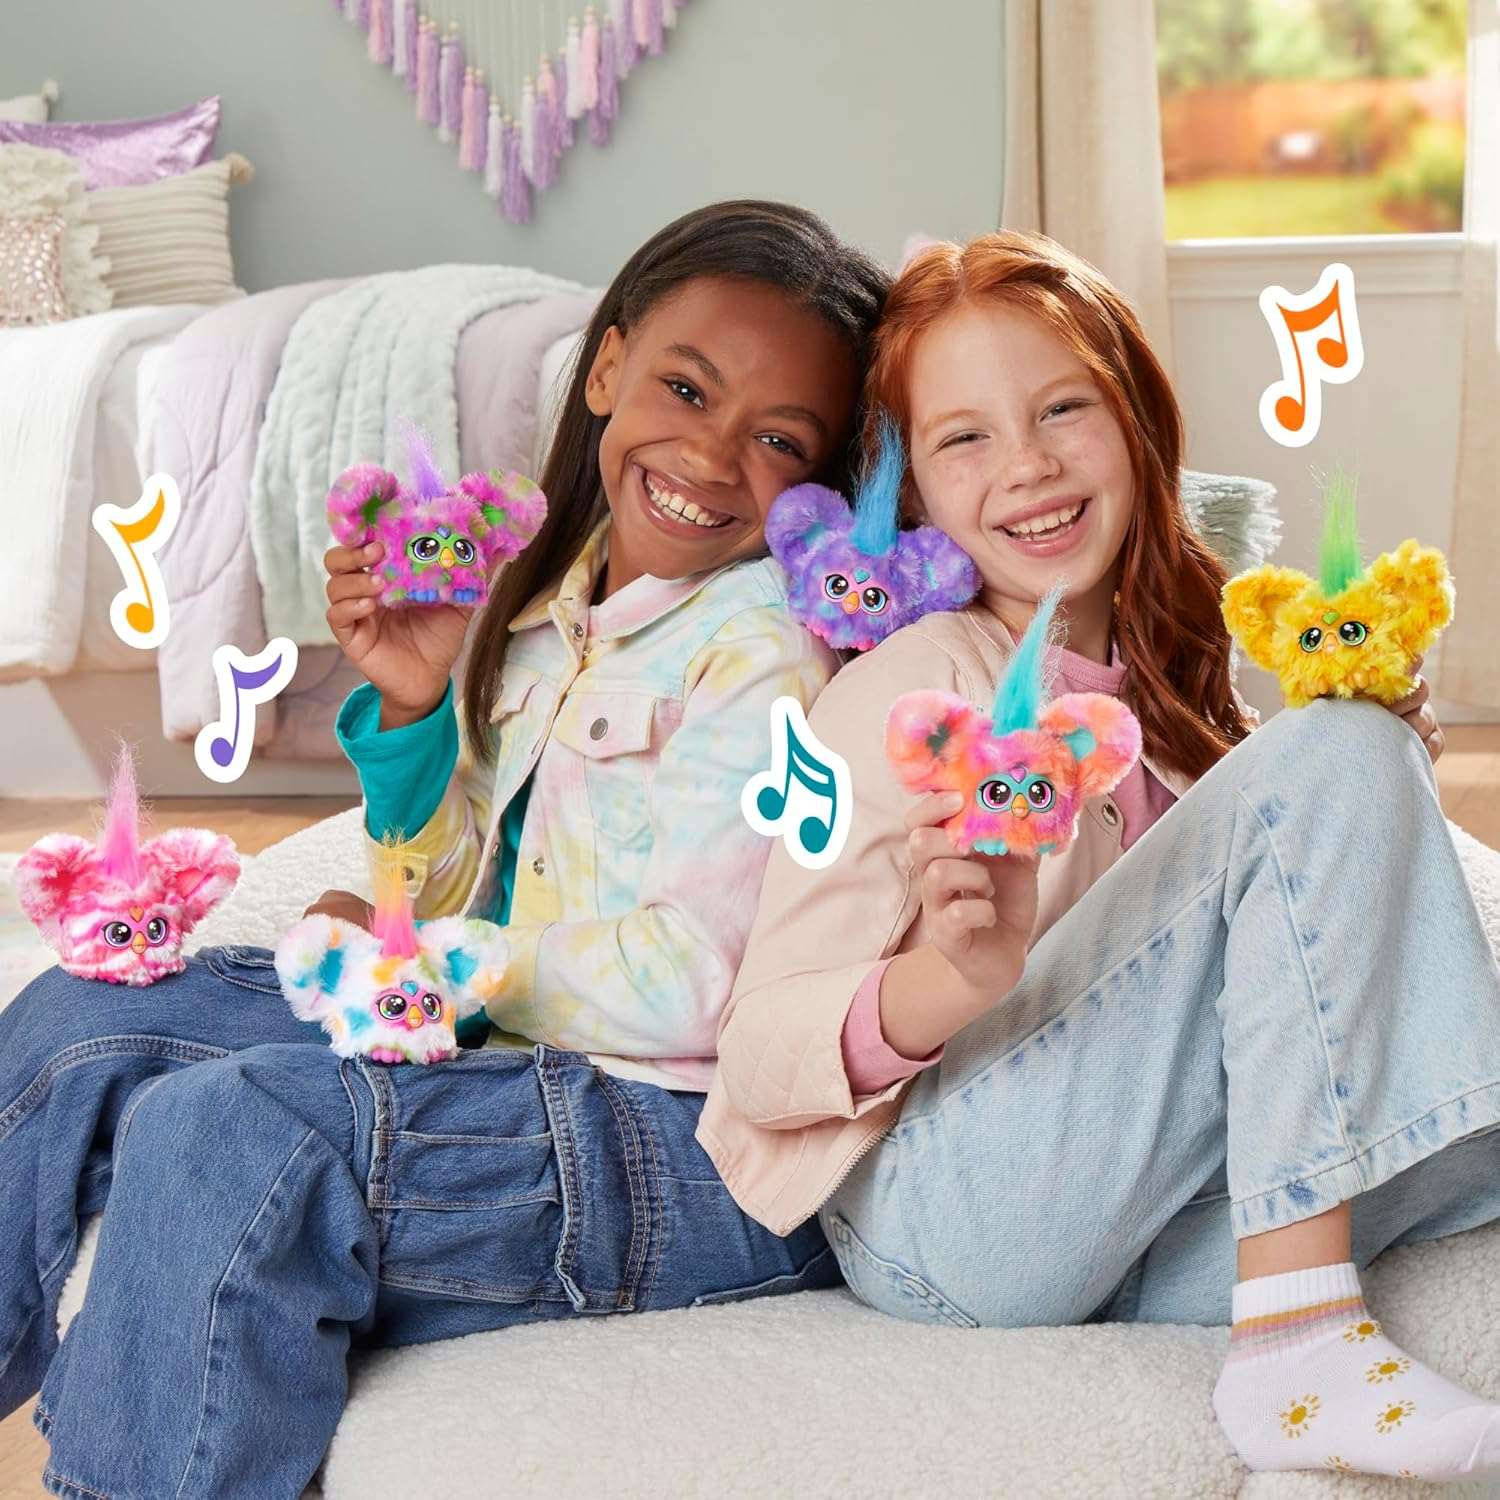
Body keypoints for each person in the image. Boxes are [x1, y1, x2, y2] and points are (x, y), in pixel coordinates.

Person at [3, 200, 888, 1498]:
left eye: (778, 440)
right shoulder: (559, 600)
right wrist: (421, 710)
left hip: (678, 1135)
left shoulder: (761, 650)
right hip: (501, 1050)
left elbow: (698, 982)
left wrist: (438, 964)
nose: (711, 455)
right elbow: (453, 880)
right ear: (608, 367)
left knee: (234, 1130)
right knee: (78, 1014)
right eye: (687, 388)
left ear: (818, 485)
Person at [699, 230, 1500, 1482]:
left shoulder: (1188, 703)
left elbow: (1298, 1015)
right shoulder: (912, 692)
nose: (1027, 464)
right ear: (917, 497)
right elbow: (756, 1050)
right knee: (1339, 752)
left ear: (1137, 421)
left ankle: (1287, 1286)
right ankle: (1301, 1344)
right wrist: (943, 985)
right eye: (965, 438)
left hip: (1122, 1225)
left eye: (1063, 408)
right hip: (945, 1216)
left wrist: (1373, 793)